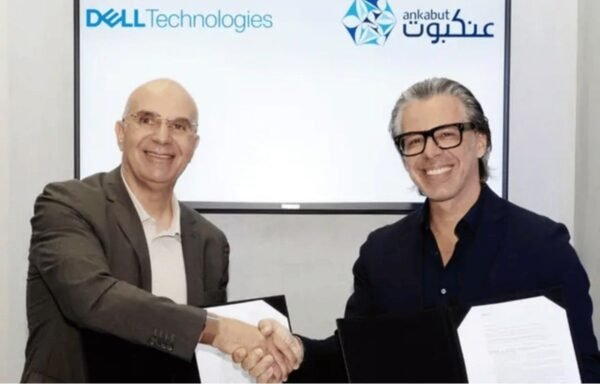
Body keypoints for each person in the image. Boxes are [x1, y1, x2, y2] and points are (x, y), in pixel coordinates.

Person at [248, 77, 600, 382]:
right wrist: (296, 350)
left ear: (480, 141)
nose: (429, 153)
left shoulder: (542, 246)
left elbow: (585, 369)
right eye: (413, 140)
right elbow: (353, 358)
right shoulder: (381, 252)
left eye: (446, 135)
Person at [21, 78, 302, 382]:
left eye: (179, 126)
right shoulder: (66, 204)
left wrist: (265, 356)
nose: (163, 137)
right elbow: (93, 299)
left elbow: (202, 354)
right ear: (120, 132)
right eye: (147, 120)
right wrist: (218, 329)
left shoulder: (210, 242)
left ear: (193, 146)